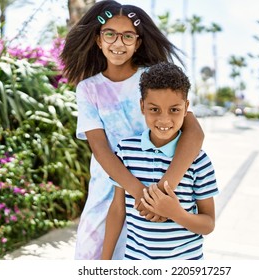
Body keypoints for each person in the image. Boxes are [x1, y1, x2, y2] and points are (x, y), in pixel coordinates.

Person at [60, 0, 204, 260]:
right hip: (107, 195)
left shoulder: (152, 78)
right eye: (110, 34)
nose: (118, 43)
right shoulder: (88, 89)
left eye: (128, 36)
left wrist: (160, 193)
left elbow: (195, 133)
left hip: (162, 190)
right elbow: (101, 149)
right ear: (98, 39)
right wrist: (141, 195)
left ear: (138, 42)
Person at [101, 62, 219, 260]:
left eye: (174, 110)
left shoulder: (199, 161)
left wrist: (176, 213)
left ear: (186, 108)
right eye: (154, 109)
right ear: (142, 106)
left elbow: (208, 224)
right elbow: (117, 209)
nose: (164, 120)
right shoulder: (126, 151)